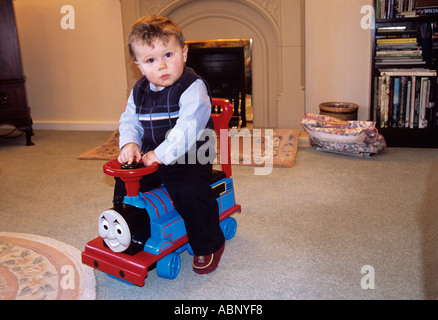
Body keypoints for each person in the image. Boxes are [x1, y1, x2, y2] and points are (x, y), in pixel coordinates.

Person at [114, 15, 225, 275]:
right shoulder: (139, 90)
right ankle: (132, 233)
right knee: (125, 183)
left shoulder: (193, 87)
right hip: (154, 152)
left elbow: (187, 131)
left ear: (184, 53)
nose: (162, 66)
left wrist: (161, 155)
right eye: (151, 60)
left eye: (168, 55)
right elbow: (130, 119)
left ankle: (209, 242)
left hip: (191, 154)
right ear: (138, 66)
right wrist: (129, 143)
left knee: (188, 188)